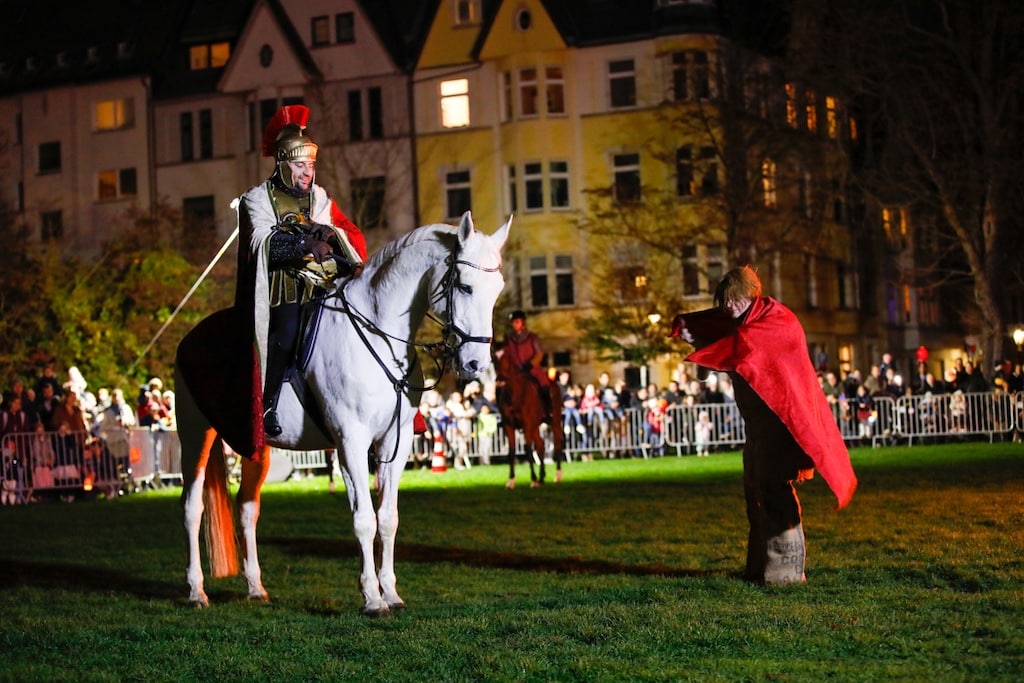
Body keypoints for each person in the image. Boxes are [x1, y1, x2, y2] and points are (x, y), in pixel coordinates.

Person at [671, 265, 856, 585]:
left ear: (750, 295)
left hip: (780, 424)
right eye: (724, 302)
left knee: (774, 490)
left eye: (733, 300)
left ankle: (786, 571)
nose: (728, 308)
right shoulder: (743, 325)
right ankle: (760, 567)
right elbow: (727, 355)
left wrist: (703, 349)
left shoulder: (775, 321)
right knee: (756, 492)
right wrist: (701, 348)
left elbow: (741, 349)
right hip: (757, 428)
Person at [235, 104, 367, 443]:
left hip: (322, 284)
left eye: (310, 165)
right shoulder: (257, 199)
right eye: (299, 165)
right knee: (288, 331)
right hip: (283, 289)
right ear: (282, 163)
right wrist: (302, 245)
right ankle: (268, 405)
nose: (307, 173)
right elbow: (259, 243)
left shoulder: (318, 196)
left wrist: (330, 237)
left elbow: (335, 229)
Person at [502, 310, 554, 417]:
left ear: (523, 322)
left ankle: (548, 411)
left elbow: (539, 354)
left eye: (517, 322)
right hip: (516, 370)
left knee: (543, 385)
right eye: (513, 322)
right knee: (504, 387)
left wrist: (530, 364)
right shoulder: (509, 339)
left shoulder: (532, 337)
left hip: (531, 369)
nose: (514, 324)